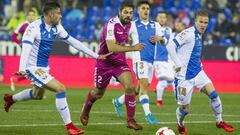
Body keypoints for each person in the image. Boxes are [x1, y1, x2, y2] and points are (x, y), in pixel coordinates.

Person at [3, 2, 109, 135]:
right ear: (51, 14)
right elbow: (26, 47)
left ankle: (10, 99)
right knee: (60, 88)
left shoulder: (56, 27)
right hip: (32, 67)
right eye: (58, 13)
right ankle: (70, 127)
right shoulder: (33, 28)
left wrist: (96, 55)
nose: (60, 15)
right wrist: (22, 68)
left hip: (43, 67)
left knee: (37, 95)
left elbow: (73, 41)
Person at [166, 10, 235, 134]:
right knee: (185, 109)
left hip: (198, 72)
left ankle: (219, 121)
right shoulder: (188, 33)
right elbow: (170, 46)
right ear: (195, 21)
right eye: (201, 22)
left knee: (214, 95)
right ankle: (180, 123)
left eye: (206, 22)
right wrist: (178, 64)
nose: (203, 24)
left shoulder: (199, 34)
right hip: (183, 77)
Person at [80, 2, 144, 130]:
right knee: (98, 93)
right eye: (126, 12)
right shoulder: (111, 24)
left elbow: (136, 40)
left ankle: (130, 120)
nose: (128, 15)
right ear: (120, 12)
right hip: (104, 62)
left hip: (119, 62)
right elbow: (111, 47)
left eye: (131, 13)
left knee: (130, 87)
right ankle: (86, 109)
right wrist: (133, 48)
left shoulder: (131, 25)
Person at [112, 1, 166, 125]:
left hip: (151, 61)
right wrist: (127, 38)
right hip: (139, 60)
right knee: (144, 87)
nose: (146, 10)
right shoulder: (132, 25)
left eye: (147, 8)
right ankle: (148, 115)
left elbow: (164, 41)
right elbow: (121, 35)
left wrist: (161, 39)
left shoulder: (156, 25)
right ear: (138, 11)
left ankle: (118, 101)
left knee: (138, 88)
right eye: (143, 8)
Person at [10, 9, 36, 91]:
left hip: (34, 50)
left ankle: (15, 80)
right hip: (27, 50)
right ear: (27, 16)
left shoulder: (36, 25)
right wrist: (20, 44)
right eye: (30, 15)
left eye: (33, 15)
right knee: (33, 69)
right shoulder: (23, 25)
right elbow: (14, 36)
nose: (31, 17)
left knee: (32, 70)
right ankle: (35, 87)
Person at [153, 11, 175, 107]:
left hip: (167, 59)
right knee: (162, 81)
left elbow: (170, 44)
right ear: (157, 18)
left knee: (172, 81)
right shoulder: (153, 28)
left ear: (166, 19)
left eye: (164, 17)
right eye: (160, 17)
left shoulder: (168, 30)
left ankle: (158, 90)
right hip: (157, 59)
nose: (162, 19)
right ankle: (159, 100)